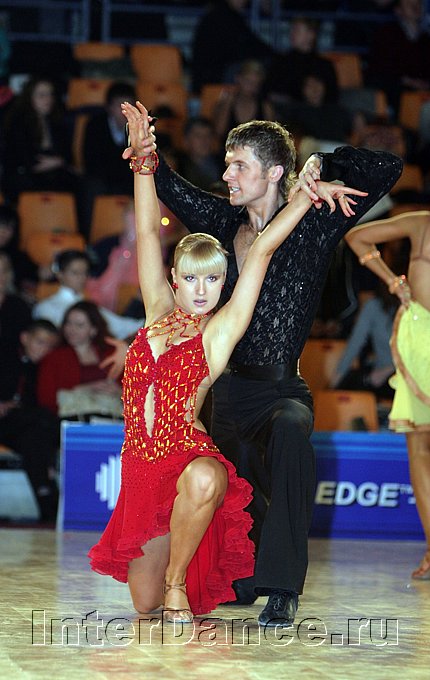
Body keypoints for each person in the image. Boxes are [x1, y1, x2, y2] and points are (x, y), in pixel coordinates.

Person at [88, 101, 366, 624]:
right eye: (193, 278)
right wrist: (144, 161)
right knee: (142, 604)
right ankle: (170, 581)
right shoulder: (156, 313)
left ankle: (179, 583)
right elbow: (147, 233)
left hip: (187, 460)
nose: (202, 290)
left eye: (214, 279)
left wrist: (304, 196)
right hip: (141, 469)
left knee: (206, 479)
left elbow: (261, 252)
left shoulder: (218, 333)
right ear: (175, 280)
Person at [345, 209, 430, 579]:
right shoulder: (421, 223)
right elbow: (356, 237)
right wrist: (392, 281)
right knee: (419, 448)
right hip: (419, 340)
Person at [0, 318, 60, 522]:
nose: (44, 349)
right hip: (9, 422)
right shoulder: (6, 358)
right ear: (25, 338)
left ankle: (45, 497)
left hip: (24, 427)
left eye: (50, 346)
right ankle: (48, 496)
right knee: (42, 421)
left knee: (33, 438)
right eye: (40, 342)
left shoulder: (44, 368)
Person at [33, 249, 144, 340]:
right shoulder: (46, 307)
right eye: (75, 273)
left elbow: (121, 325)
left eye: (85, 273)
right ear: (60, 274)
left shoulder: (88, 304)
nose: (82, 278)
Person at [1, 75, 79, 204]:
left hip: (53, 174)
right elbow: (24, 160)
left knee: (77, 183)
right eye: (42, 95)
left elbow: (68, 156)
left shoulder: (56, 123)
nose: (48, 99)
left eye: (50, 94)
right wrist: (57, 162)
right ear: (29, 98)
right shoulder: (18, 123)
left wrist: (58, 162)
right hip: (24, 176)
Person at [37, 300, 121, 417]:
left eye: (79, 325)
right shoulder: (53, 358)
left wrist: (119, 391)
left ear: (93, 330)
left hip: (112, 416)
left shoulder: (111, 353)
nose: (71, 329)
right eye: (68, 323)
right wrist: (87, 388)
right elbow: (46, 399)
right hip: (72, 418)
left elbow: (135, 392)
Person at [330, 281, 399, 400]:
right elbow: (354, 344)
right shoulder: (373, 306)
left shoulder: (417, 308)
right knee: (350, 386)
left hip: (410, 379)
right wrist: (333, 385)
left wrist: (389, 370)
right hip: (381, 379)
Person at [211, 59, 275, 143]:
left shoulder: (265, 107)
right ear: (238, 78)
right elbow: (219, 132)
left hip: (256, 150)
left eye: (255, 84)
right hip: (228, 149)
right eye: (247, 81)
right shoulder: (226, 102)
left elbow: (271, 138)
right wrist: (227, 105)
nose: (250, 87)